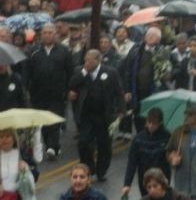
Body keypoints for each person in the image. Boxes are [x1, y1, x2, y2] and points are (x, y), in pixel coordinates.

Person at [68, 49, 125, 181]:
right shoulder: (79, 71)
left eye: (90, 60)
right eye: (85, 60)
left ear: (97, 60)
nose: (86, 63)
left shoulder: (110, 72)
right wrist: (83, 73)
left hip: (104, 116)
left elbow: (119, 92)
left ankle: (101, 170)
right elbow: (72, 85)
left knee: (104, 145)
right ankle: (89, 167)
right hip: (87, 115)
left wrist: (121, 110)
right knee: (83, 142)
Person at [27, 22, 73, 160]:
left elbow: (70, 71)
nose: (47, 35)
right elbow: (28, 72)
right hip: (38, 94)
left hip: (57, 94)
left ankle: (52, 146)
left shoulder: (64, 51)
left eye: (50, 33)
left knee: (54, 120)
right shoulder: (34, 51)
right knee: (43, 122)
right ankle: (51, 144)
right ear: (41, 35)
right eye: (45, 33)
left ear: (55, 34)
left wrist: (69, 89)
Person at [122, 27, 172, 132]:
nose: (150, 37)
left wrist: (167, 75)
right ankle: (140, 135)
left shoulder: (163, 52)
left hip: (153, 90)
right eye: (148, 35)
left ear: (158, 39)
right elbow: (127, 71)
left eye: (154, 36)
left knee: (152, 115)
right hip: (136, 90)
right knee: (137, 115)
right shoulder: (136, 50)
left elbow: (172, 68)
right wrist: (127, 90)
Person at [166, 104, 196, 199]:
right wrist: (171, 158)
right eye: (186, 114)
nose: (186, 116)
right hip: (181, 187)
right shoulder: (179, 132)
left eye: (190, 114)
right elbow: (169, 151)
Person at [122, 108, 171, 197]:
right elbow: (132, 163)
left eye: (154, 123)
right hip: (145, 180)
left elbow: (170, 158)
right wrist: (127, 184)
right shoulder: (138, 139)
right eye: (149, 122)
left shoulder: (167, 137)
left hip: (162, 180)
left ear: (160, 123)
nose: (151, 125)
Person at [0, 128, 37, 200]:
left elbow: (36, 173)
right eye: (1, 137)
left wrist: (27, 167)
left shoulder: (22, 154)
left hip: (19, 196)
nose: (4, 140)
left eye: (8, 136)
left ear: (14, 139)